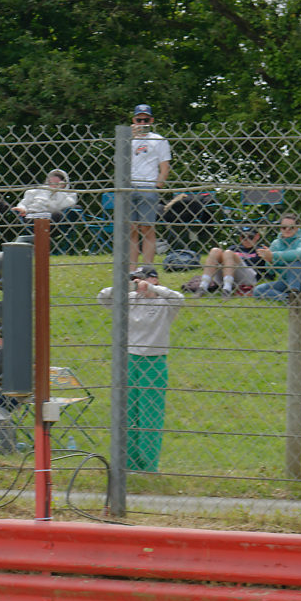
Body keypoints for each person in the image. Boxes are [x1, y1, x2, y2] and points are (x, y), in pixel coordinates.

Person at [98, 265, 184, 472]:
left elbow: (179, 299)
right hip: (129, 361)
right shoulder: (129, 299)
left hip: (154, 362)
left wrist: (155, 288)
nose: (140, 283)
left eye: (144, 279)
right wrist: (125, 285)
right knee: (129, 413)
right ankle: (129, 463)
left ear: (155, 279)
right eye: (137, 279)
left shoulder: (165, 302)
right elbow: (103, 297)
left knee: (150, 415)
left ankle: (149, 465)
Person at [126, 105, 172, 268]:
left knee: (147, 229)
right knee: (131, 229)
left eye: (146, 119)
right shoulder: (127, 140)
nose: (142, 123)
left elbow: (165, 167)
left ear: (151, 121)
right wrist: (129, 138)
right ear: (134, 120)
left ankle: (147, 269)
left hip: (148, 187)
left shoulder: (159, 140)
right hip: (129, 187)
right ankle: (131, 270)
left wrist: (157, 187)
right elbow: (119, 162)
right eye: (139, 120)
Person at [252, 214, 301, 300]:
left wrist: (273, 255)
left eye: (291, 227)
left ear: (297, 228)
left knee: (294, 261)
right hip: (286, 282)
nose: (287, 230)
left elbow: (297, 254)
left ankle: (294, 292)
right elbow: (270, 272)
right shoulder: (275, 243)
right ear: (280, 228)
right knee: (258, 290)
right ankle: (288, 298)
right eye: (284, 227)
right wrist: (270, 260)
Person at [196, 225, 265, 296]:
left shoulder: (260, 250)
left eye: (250, 237)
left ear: (257, 236)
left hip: (247, 278)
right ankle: (203, 286)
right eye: (243, 237)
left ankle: (227, 289)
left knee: (228, 252)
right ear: (240, 238)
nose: (247, 240)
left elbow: (268, 270)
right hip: (225, 275)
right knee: (215, 250)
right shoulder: (233, 248)